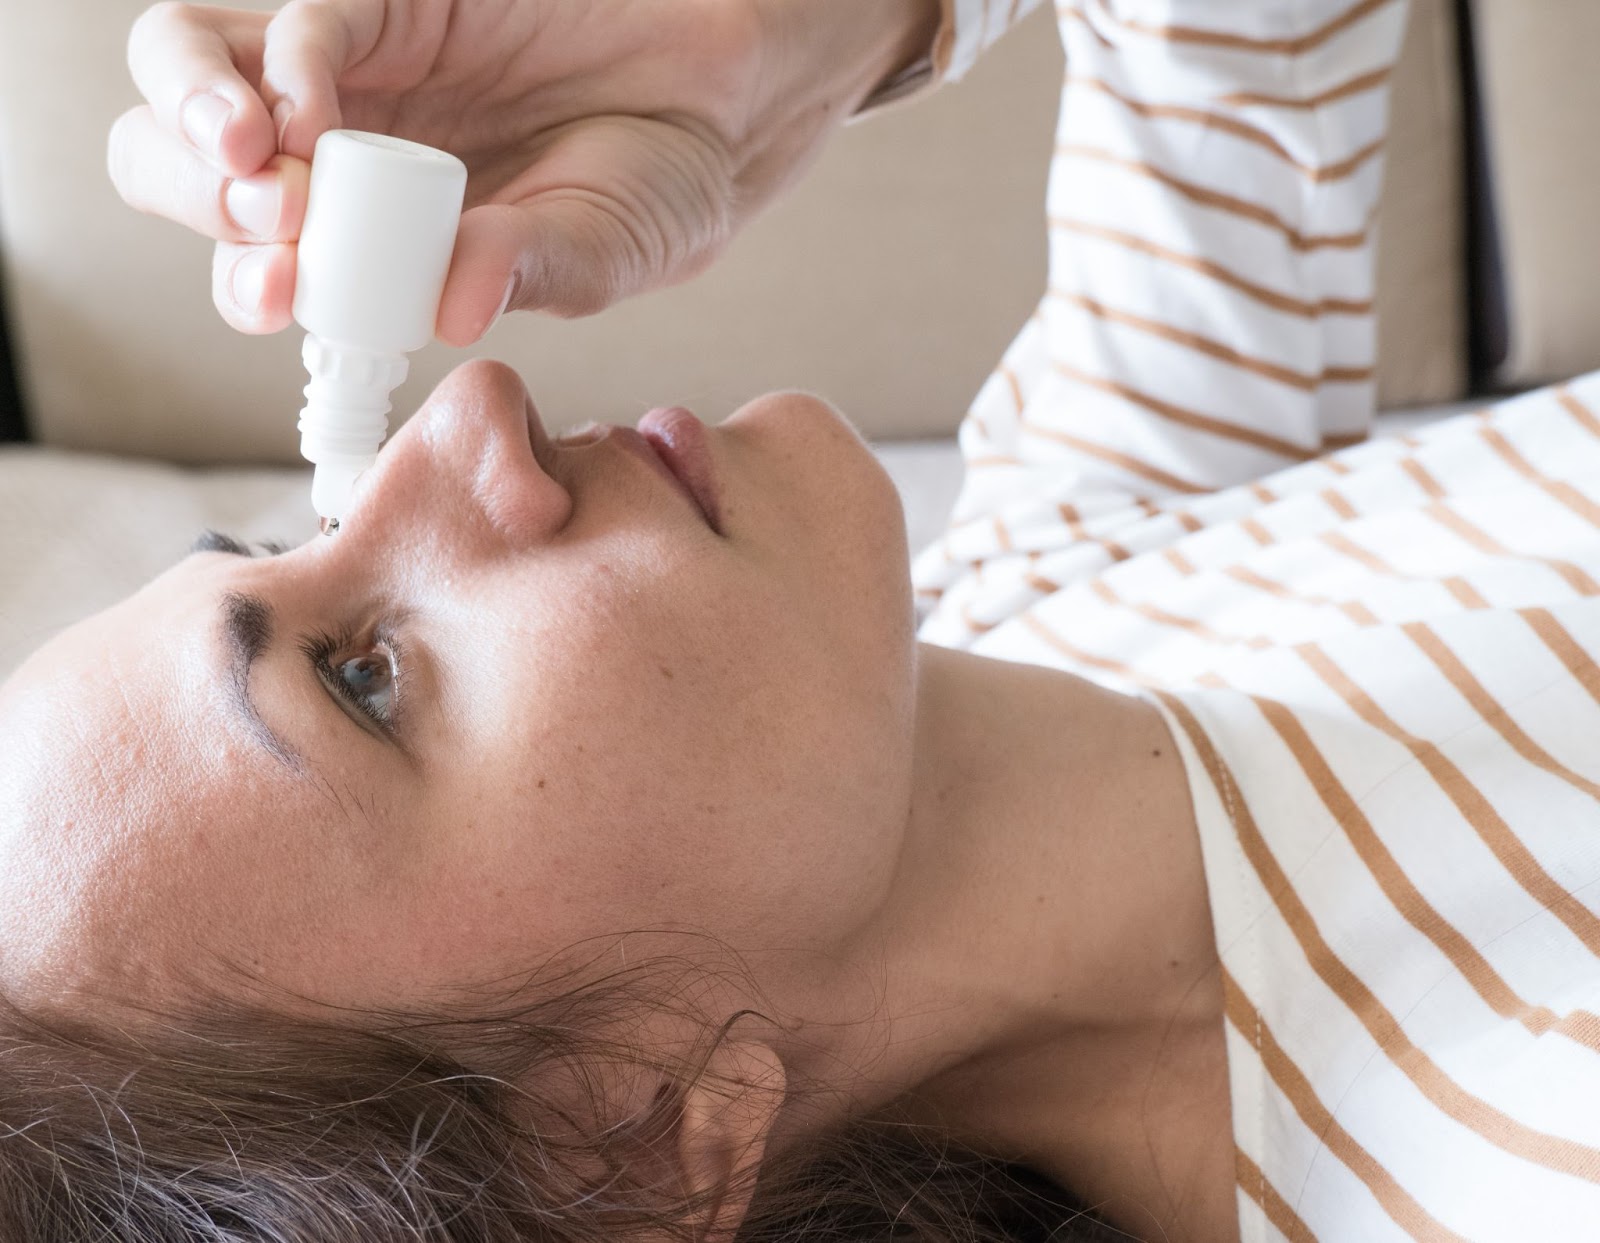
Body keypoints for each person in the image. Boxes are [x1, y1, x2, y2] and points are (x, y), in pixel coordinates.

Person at [2, 2, 1597, 1241]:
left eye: (303, 533)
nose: (472, 412)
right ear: (631, 1149)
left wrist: (770, 45)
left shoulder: (1055, 597)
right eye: (371, 678)